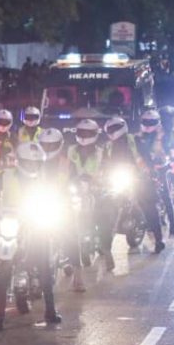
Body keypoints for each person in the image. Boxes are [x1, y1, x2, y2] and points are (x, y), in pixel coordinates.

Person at [0, 142, 62, 326]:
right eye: (28, 162)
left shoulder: (44, 180)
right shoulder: (6, 176)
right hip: (7, 222)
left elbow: (55, 200)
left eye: (35, 163)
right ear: (20, 161)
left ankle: (50, 309)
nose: (32, 166)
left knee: (44, 263)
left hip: (34, 225)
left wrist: (55, 213)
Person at [103, 117, 165, 254]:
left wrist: (147, 171)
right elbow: (104, 164)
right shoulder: (108, 146)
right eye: (110, 130)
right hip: (118, 179)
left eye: (114, 129)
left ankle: (158, 239)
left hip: (139, 178)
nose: (112, 132)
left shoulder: (135, 141)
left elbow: (145, 157)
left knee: (148, 206)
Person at [66, 119, 116, 279]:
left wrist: (101, 182)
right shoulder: (70, 151)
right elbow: (65, 170)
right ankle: (66, 256)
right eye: (81, 133)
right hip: (75, 192)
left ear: (95, 135)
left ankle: (107, 250)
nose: (84, 137)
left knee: (104, 220)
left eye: (88, 133)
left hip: (97, 192)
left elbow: (108, 171)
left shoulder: (102, 153)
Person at [135, 110, 174, 236]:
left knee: (166, 196)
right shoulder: (138, 137)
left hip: (161, 168)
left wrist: (170, 155)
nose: (148, 124)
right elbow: (135, 152)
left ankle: (173, 226)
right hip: (143, 170)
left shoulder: (163, 136)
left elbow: (168, 149)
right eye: (146, 122)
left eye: (151, 122)